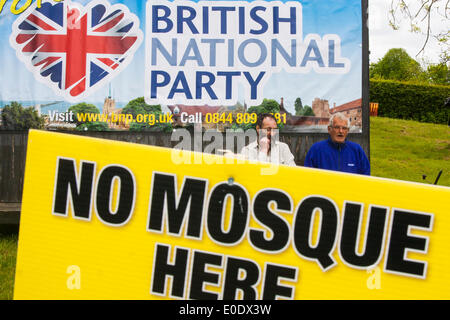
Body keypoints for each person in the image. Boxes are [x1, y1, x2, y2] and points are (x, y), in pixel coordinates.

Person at [304, 113, 370, 175]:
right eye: (337, 127)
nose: (341, 131)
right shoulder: (316, 150)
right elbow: (307, 176)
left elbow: (366, 176)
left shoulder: (357, 150)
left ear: (348, 131)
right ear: (329, 129)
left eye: (344, 128)